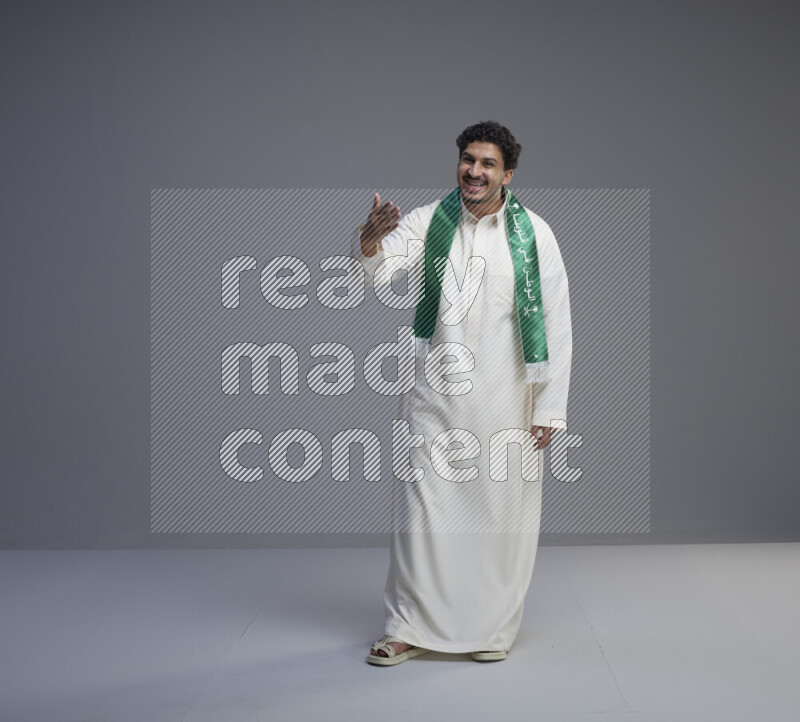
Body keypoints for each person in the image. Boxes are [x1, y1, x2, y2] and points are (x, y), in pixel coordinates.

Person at [355, 121, 573, 665]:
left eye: (487, 164)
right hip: (433, 396)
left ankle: (489, 629)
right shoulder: (431, 222)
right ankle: (407, 627)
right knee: (421, 518)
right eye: (467, 160)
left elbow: (557, 321)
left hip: (506, 397)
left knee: (499, 517)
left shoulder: (535, 235)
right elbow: (381, 272)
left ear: (508, 174)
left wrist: (550, 405)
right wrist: (370, 241)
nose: (474, 171)